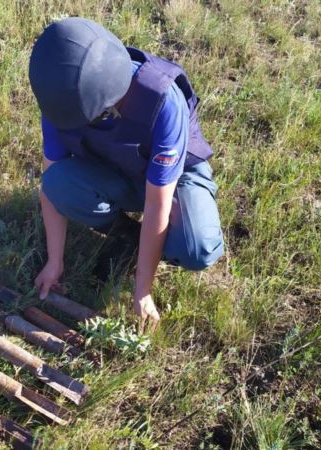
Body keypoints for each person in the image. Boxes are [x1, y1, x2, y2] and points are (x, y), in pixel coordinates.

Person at [28, 17, 224, 331]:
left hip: (175, 177)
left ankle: (156, 243)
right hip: (116, 166)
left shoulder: (161, 101)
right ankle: (126, 233)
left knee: (197, 247)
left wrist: (142, 290)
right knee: (58, 184)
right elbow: (50, 186)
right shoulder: (62, 101)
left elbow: (157, 203)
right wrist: (55, 262)